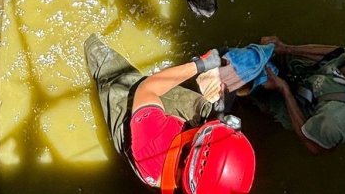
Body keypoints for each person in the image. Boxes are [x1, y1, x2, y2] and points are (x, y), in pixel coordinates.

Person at [85, 33, 256, 193]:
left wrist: (199, 65)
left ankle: (86, 41)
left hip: (138, 124)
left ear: (187, 155)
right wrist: (218, 121)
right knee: (211, 108)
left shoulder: (152, 147)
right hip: (178, 163)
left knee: (117, 76)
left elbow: (148, 88)